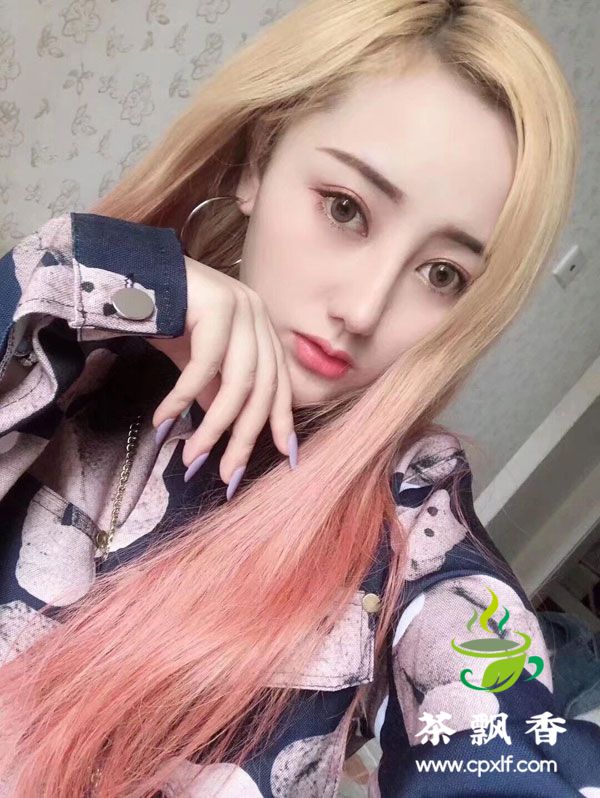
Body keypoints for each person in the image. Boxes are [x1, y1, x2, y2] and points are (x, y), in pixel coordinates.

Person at [0, 0, 598, 795]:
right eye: (346, 209)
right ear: (257, 162)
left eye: (442, 274)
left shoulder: (412, 524)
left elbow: (495, 728)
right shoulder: (65, 333)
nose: (364, 308)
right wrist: (101, 278)